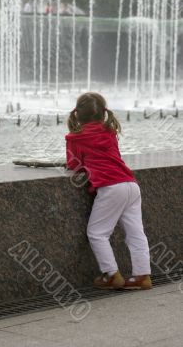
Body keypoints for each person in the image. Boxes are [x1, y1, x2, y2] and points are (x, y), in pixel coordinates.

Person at [65, 92, 152, 290]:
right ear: (103, 114)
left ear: (77, 114)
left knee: (96, 233)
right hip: (131, 185)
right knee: (136, 233)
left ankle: (112, 275)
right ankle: (143, 276)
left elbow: (73, 165)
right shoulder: (110, 132)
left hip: (111, 188)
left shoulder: (75, 137)